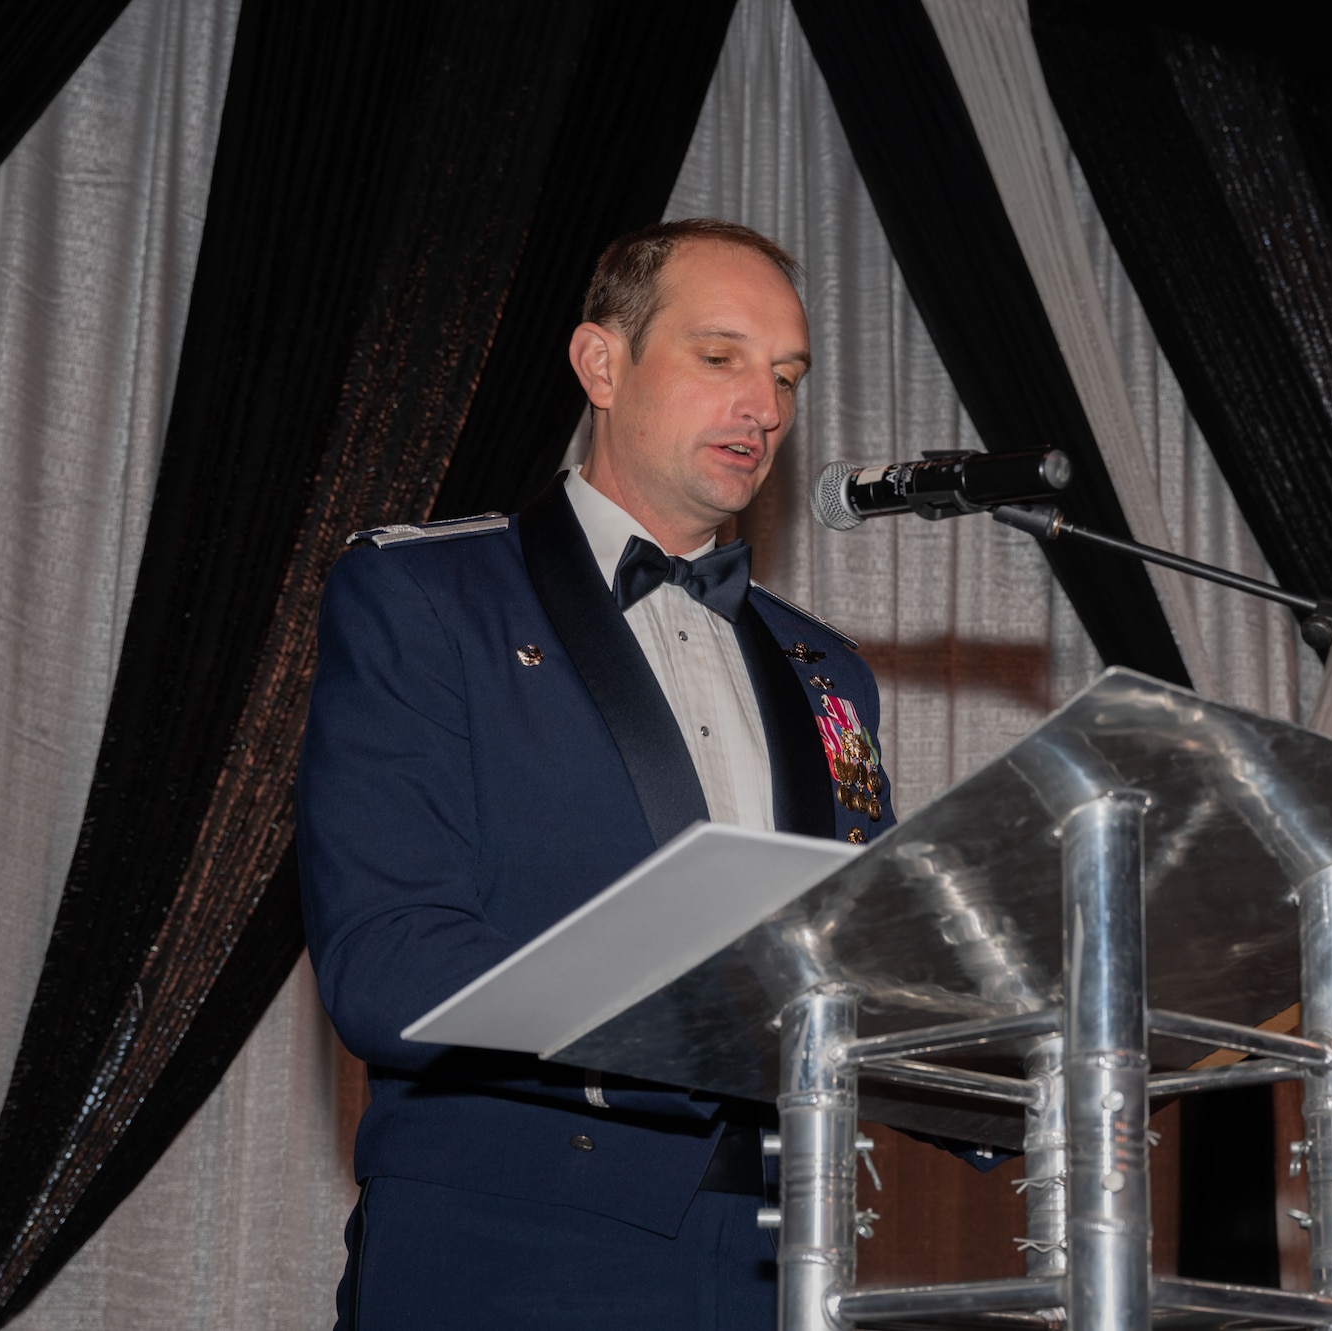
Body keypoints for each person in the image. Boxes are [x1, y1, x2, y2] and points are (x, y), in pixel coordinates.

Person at [297, 219, 890, 1328]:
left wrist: (1021, 1044)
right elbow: (387, 964)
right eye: (720, 357)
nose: (763, 405)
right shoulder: (426, 597)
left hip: (788, 1256)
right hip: (513, 1243)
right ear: (599, 363)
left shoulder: (830, 670)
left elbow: (850, 963)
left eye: (786, 373)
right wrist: (700, 1015)